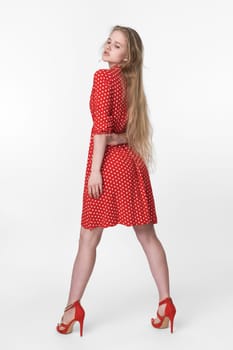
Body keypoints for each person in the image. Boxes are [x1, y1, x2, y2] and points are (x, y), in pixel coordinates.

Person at [56, 25, 176, 336]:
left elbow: (101, 129)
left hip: (108, 165)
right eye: (110, 41)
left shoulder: (104, 78)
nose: (109, 46)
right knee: (147, 236)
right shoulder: (132, 84)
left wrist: (95, 170)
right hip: (132, 163)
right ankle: (166, 302)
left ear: (128, 56)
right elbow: (123, 131)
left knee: (88, 239)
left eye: (118, 45)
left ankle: (72, 308)